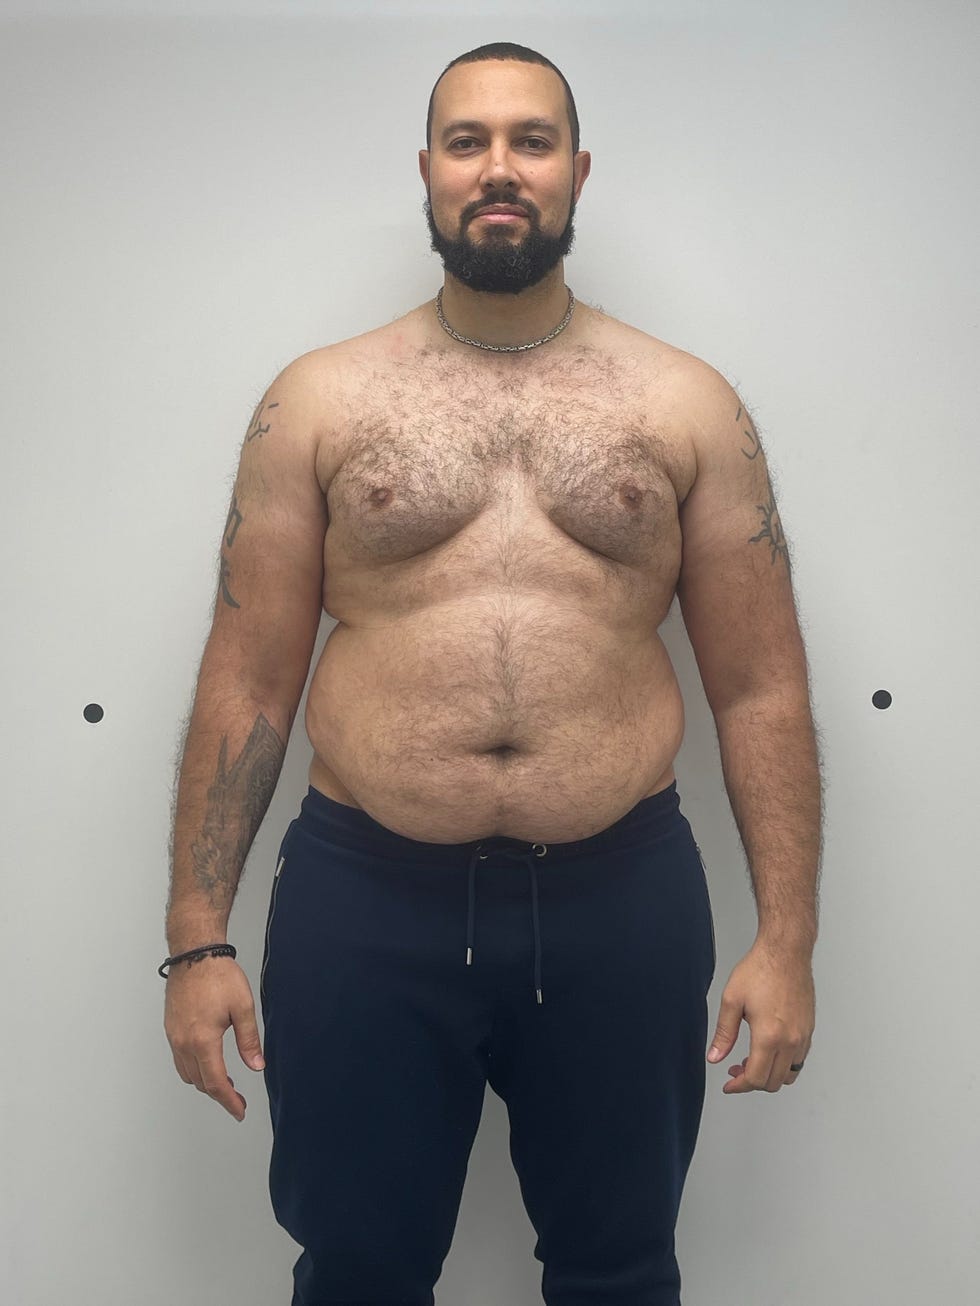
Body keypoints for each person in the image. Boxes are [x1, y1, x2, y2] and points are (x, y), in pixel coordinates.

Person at [162, 41, 821, 1306]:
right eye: (467, 142)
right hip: (367, 901)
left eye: (529, 140)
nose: (498, 169)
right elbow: (247, 682)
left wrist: (785, 939)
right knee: (355, 1269)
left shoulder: (685, 404)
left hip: (618, 896)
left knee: (619, 1266)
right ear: (426, 171)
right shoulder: (318, 400)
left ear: (577, 172)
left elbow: (760, 689)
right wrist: (197, 943)